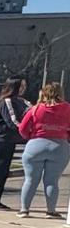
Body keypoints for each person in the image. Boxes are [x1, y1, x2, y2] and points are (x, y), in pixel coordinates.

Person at [17, 82, 70, 218]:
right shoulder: (67, 109)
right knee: (52, 181)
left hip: (36, 145)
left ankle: (24, 210)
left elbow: (22, 128)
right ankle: (51, 211)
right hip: (59, 147)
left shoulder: (35, 109)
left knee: (30, 180)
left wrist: (30, 137)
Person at [0, 76, 29, 209]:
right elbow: (12, 121)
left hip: (10, 141)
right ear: (14, 87)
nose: (23, 89)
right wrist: (26, 132)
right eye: (21, 86)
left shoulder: (22, 101)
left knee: (4, 171)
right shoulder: (6, 101)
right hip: (2, 140)